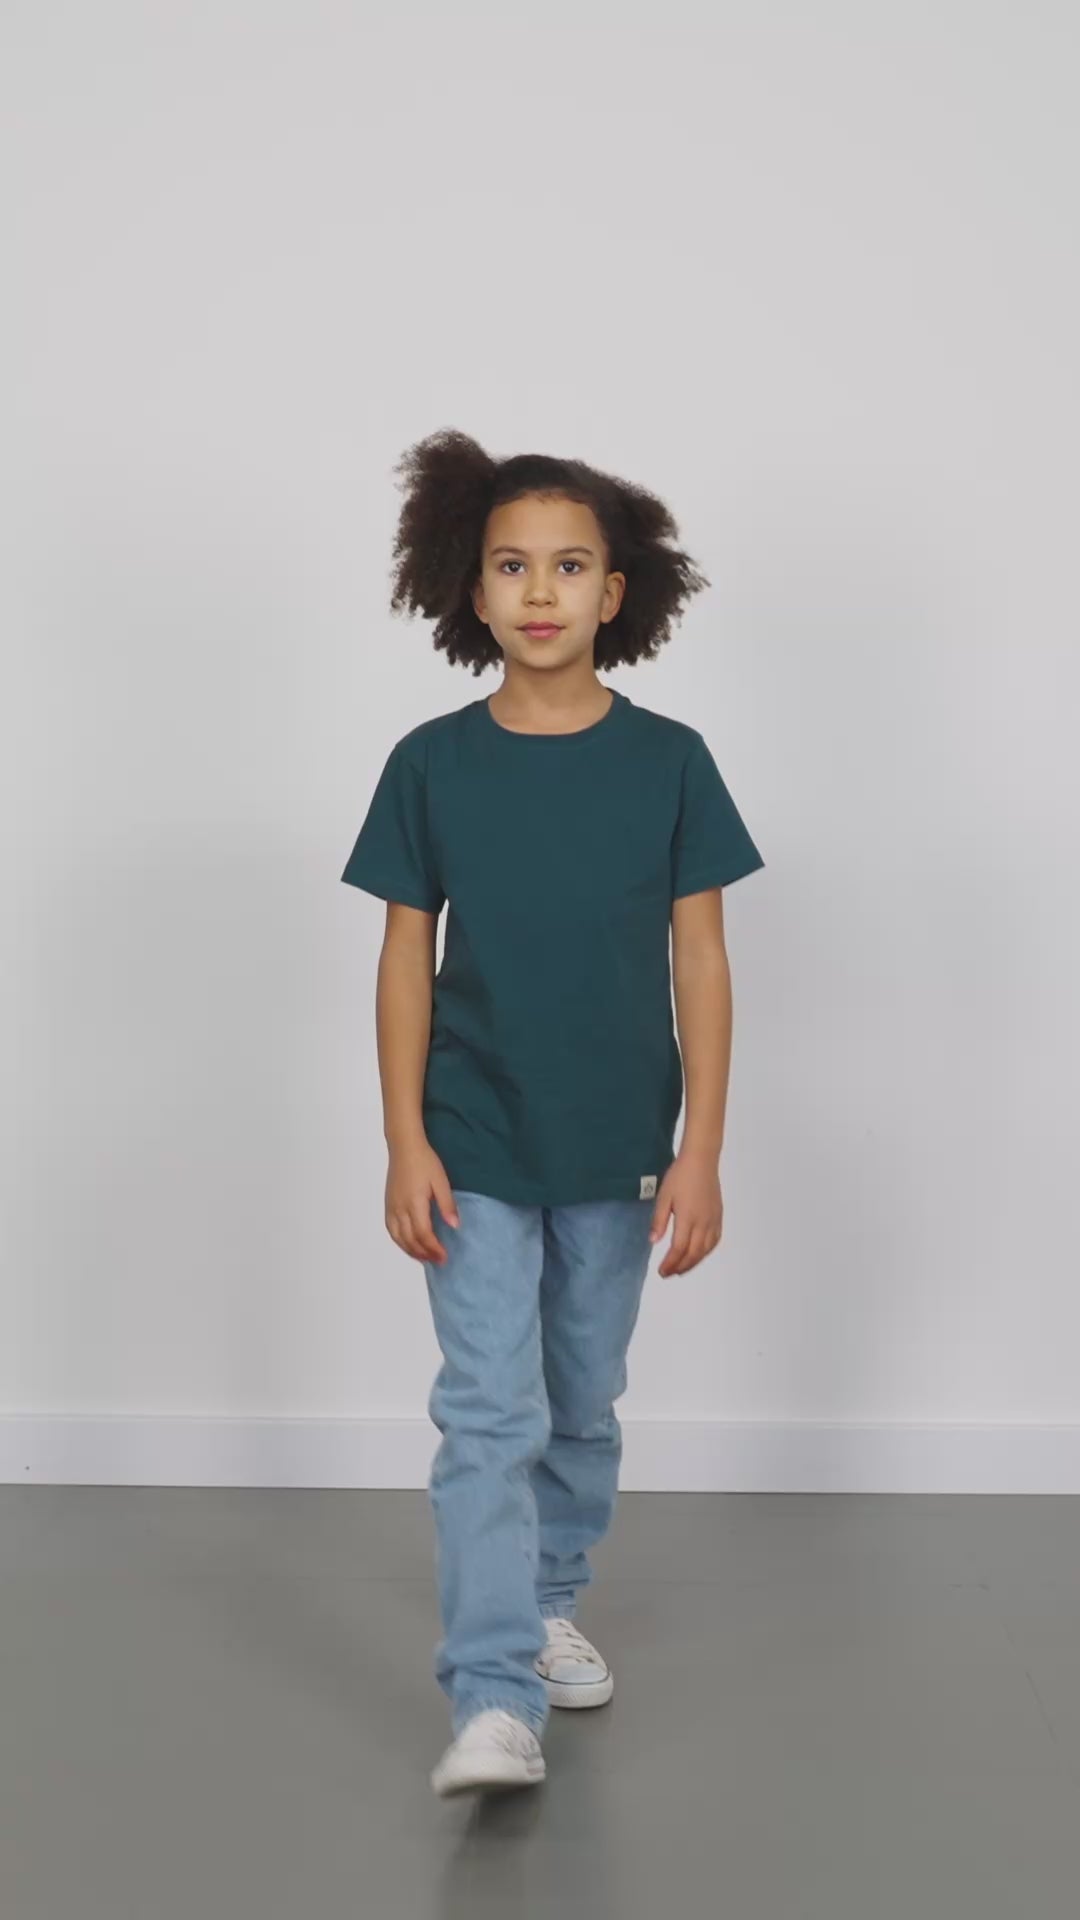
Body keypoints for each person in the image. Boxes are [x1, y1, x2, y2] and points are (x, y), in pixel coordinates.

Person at [340, 428, 765, 1798]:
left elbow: (701, 960)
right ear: (470, 591)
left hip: (618, 1144)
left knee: (580, 1400)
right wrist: (405, 1138)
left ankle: (546, 1598)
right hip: (470, 1138)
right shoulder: (430, 764)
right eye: (512, 566)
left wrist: (702, 1150)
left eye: (569, 566)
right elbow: (405, 957)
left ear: (614, 592)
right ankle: (491, 1694)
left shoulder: (672, 762)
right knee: (487, 1411)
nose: (540, 591)